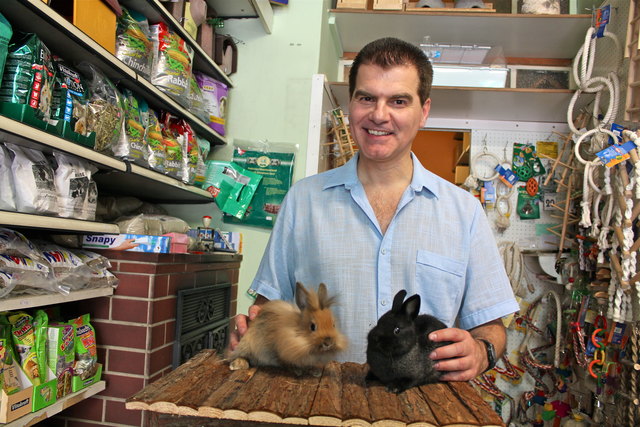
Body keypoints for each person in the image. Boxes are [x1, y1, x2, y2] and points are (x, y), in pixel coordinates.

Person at [229, 37, 519, 381]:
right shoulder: (301, 201)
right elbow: (267, 307)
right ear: (350, 104)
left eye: (398, 100)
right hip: (315, 405)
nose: (379, 115)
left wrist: (481, 351)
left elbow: (493, 328)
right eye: (366, 98)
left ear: (423, 111)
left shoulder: (464, 212)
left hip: (421, 409)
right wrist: (252, 332)